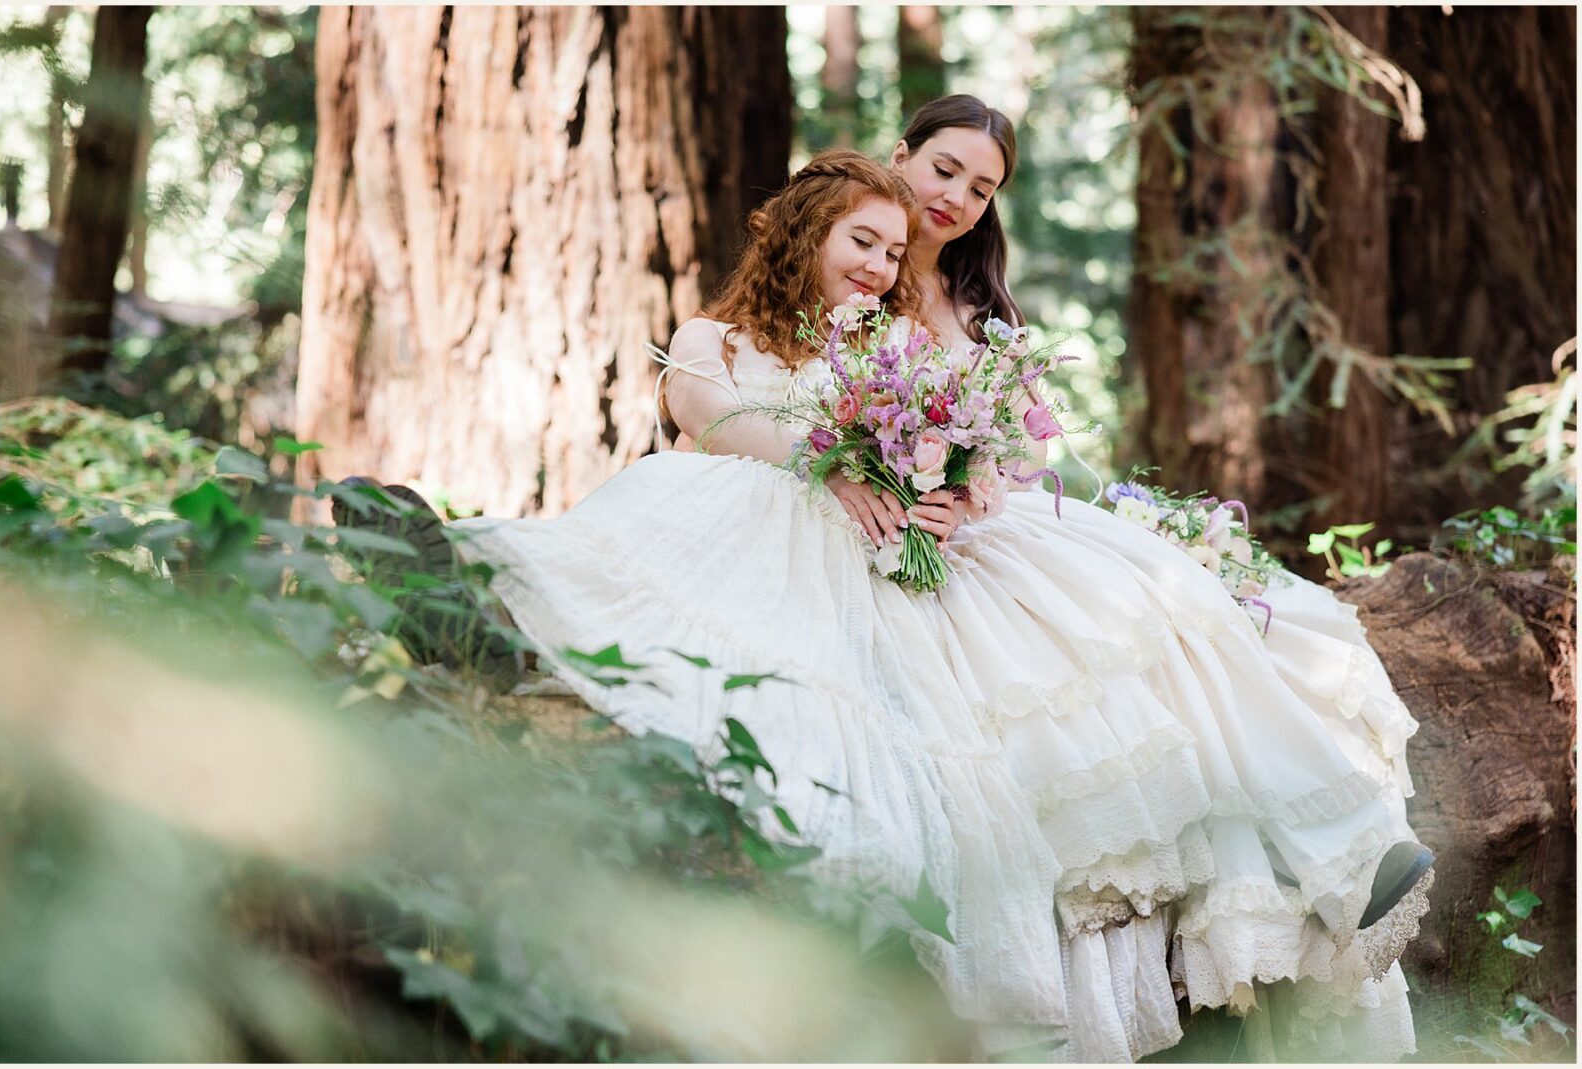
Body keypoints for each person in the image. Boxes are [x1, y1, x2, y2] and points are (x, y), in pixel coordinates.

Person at [338, 148, 1429, 1061]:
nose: (878, 265)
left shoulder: (893, 348)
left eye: (893, 251)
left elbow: (972, 447)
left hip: (892, 555)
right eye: (860, 241)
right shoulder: (714, 337)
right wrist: (835, 457)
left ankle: (1326, 841)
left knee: (1123, 616)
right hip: (759, 527)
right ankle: (454, 590)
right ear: (801, 231)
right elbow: (714, 420)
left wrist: (949, 491)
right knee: (630, 553)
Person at [885, 94, 1433, 1060]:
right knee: (1123, 634)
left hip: (989, 523)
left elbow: (1026, 448)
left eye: (982, 187)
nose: (959, 198)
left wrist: (975, 486)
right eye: (944, 170)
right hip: (915, 544)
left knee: (1185, 606)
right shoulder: (853, 269)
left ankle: (1341, 850)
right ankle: (1322, 857)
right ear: (902, 155)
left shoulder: (976, 305)